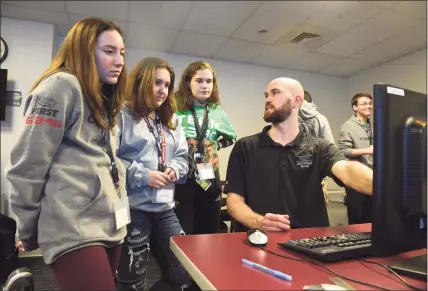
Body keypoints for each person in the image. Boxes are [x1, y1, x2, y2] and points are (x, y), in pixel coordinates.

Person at [5, 18, 128, 290]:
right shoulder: (61, 85)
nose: (119, 60)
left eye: (121, 52)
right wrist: (28, 228)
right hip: (73, 227)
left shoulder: (105, 101)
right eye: (109, 51)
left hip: (110, 225)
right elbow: (27, 167)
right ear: (84, 50)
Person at [224, 77, 373, 232]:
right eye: (266, 95)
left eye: (275, 93)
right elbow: (234, 201)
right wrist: (259, 222)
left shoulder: (319, 146)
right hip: (259, 240)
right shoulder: (245, 147)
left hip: (310, 243)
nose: (268, 99)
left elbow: (347, 170)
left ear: (296, 101)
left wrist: (387, 189)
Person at [115, 57, 196, 291]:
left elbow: (182, 156)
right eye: (157, 83)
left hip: (165, 209)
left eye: (167, 85)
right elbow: (108, 160)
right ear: (141, 82)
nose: (163, 90)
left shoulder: (171, 120)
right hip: (133, 209)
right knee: (132, 282)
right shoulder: (121, 115)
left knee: (184, 274)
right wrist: (143, 176)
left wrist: (175, 169)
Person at [173, 61, 237, 234]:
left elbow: (232, 137)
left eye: (209, 81)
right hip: (183, 176)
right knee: (182, 230)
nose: (205, 85)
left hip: (209, 176)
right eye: (199, 81)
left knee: (208, 231)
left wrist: (214, 146)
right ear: (188, 82)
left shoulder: (217, 111)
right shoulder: (175, 108)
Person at [338, 93, 373, 225]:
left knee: (372, 217)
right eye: (364, 103)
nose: (368, 106)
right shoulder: (348, 126)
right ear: (355, 107)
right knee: (358, 218)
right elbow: (343, 151)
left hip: (372, 177)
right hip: (356, 178)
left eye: (370, 103)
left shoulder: (373, 125)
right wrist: (367, 150)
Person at [299, 90, 335, 204]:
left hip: (294, 171)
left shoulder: (288, 117)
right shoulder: (321, 118)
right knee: (316, 208)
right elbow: (330, 146)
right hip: (317, 172)